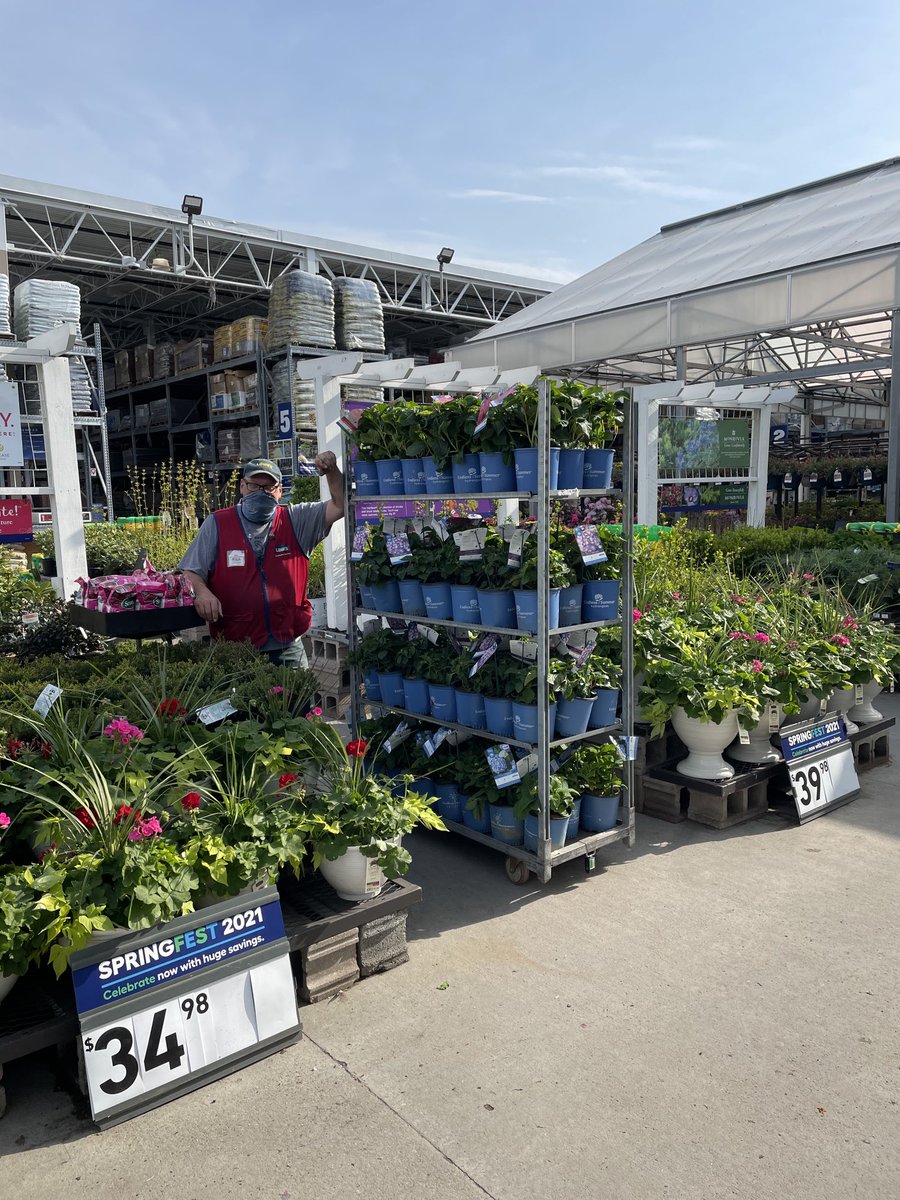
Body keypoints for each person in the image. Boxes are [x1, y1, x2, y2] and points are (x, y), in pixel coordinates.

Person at [180, 454, 344, 666]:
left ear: (279, 491)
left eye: (268, 488)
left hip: (287, 647)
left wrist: (332, 471)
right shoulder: (218, 524)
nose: (260, 493)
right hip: (234, 648)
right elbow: (190, 571)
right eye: (253, 487)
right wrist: (202, 592)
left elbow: (339, 506)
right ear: (242, 487)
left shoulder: (296, 521)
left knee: (294, 699)